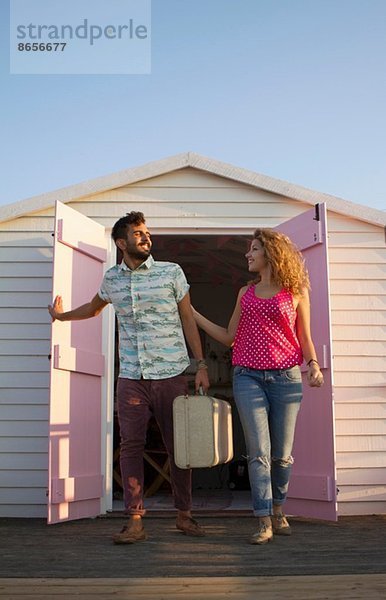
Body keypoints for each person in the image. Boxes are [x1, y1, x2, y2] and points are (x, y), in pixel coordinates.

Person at [48, 211, 209, 544]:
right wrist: (61, 316)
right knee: (131, 446)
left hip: (171, 374)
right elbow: (93, 309)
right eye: (138, 234)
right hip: (132, 376)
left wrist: (202, 364)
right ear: (122, 243)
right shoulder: (112, 280)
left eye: (147, 232)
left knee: (179, 447)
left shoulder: (171, 273)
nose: (146, 237)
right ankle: (135, 520)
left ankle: (184, 514)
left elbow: (187, 319)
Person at [193, 228, 323, 545]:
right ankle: (263, 519)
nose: (247, 255)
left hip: (286, 378)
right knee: (259, 453)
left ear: (270, 254)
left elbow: (305, 337)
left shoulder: (296, 291)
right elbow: (228, 336)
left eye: (253, 249)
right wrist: (192, 313)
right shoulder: (245, 293)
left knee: (282, 456)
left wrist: (314, 365)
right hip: (247, 376)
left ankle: (278, 509)